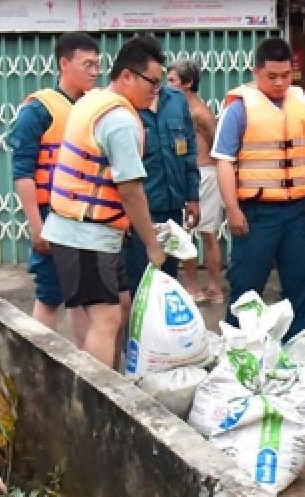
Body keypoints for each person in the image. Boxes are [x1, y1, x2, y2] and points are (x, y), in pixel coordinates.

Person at [45, 44, 168, 367]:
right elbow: (130, 190)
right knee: (107, 318)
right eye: (152, 83)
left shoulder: (93, 100)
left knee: (119, 306)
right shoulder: (120, 121)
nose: (156, 92)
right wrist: (152, 243)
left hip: (77, 229)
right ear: (127, 76)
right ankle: (97, 392)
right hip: (86, 235)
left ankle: (108, 381)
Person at [213, 37, 305, 337]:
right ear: (256, 72)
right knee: (246, 288)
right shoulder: (239, 108)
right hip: (256, 214)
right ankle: (237, 349)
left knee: (300, 283)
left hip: (298, 211)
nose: (280, 83)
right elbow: (224, 161)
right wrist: (233, 209)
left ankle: (295, 346)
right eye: (272, 76)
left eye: (286, 75)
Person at [7, 32, 101, 331]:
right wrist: (37, 226)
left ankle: (85, 357)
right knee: (50, 292)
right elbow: (23, 172)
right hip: (53, 214)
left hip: (88, 214)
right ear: (64, 64)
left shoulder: (95, 107)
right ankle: (41, 354)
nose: (94, 72)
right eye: (87, 64)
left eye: (97, 65)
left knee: (85, 295)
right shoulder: (38, 110)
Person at [124, 35, 200, 294]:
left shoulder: (176, 100)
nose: (155, 86)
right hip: (139, 213)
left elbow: (189, 150)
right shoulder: (125, 107)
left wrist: (193, 196)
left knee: (167, 284)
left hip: (172, 210)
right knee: (140, 286)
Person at [166, 58, 228, 301]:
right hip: (187, 175)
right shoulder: (177, 109)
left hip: (205, 174)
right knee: (184, 234)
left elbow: (217, 145)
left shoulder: (199, 112)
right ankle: (192, 287)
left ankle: (214, 287)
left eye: (172, 80)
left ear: (188, 83)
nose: (167, 85)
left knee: (208, 232)